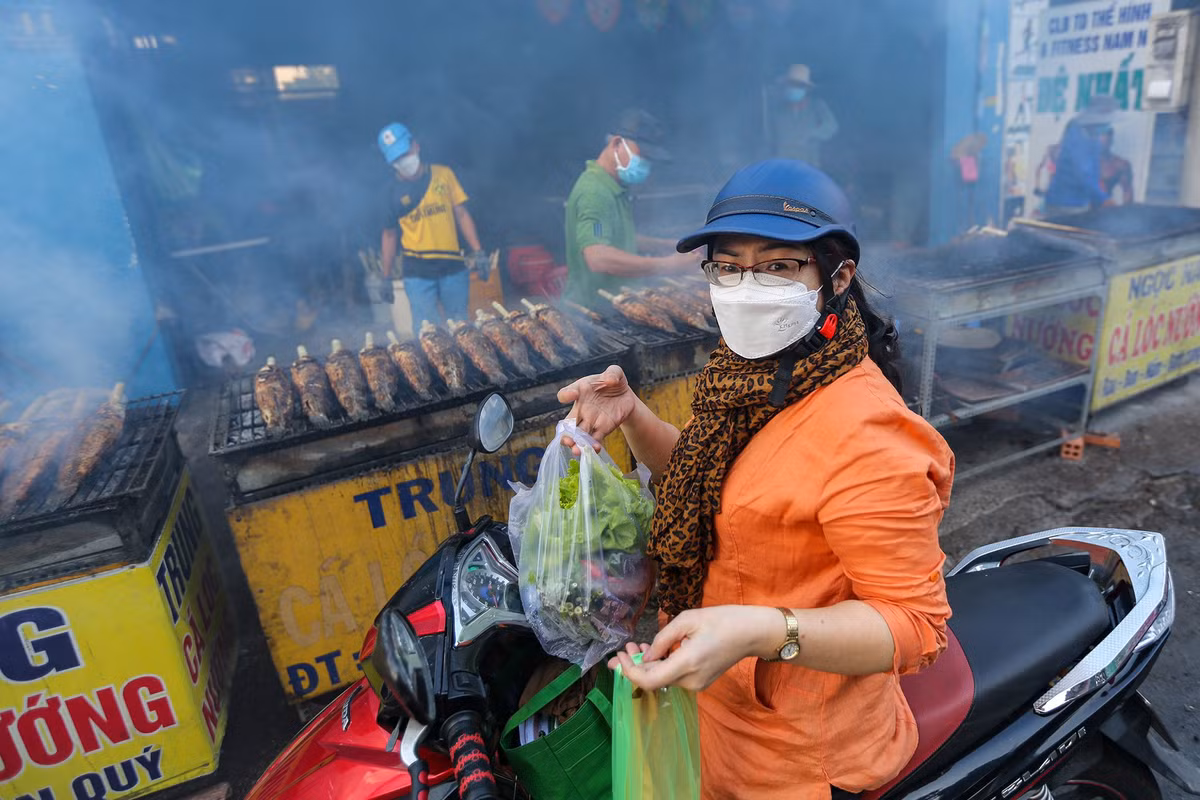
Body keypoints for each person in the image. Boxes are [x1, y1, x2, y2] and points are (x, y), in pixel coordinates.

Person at [558, 159, 954, 798]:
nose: (747, 285)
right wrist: (632, 414)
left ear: (837, 275)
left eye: (777, 265)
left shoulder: (867, 432)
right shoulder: (747, 372)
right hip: (715, 717)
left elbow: (914, 623)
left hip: (799, 758)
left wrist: (760, 629)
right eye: (729, 265)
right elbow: (717, 478)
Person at [563, 108, 700, 308]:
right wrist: (668, 265)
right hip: (596, 310)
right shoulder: (595, 193)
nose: (646, 165)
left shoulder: (612, 186)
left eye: (649, 160)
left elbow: (612, 236)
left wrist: (666, 245)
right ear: (617, 143)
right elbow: (598, 256)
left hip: (619, 303)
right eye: (642, 156)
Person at [377, 122, 487, 336]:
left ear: (416, 146)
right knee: (428, 333)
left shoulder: (443, 175)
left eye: (404, 153)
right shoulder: (389, 193)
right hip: (417, 273)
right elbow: (389, 235)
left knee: (463, 330)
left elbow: (461, 213)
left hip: (453, 267)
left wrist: (478, 251)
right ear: (390, 162)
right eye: (397, 159)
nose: (403, 161)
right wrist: (386, 276)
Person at [769, 64, 839, 167]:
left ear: (806, 89)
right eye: (791, 85)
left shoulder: (817, 106)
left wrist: (813, 134)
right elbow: (770, 140)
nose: (793, 88)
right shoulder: (778, 111)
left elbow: (832, 126)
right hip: (783, 167)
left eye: (798, 86)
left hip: (808, 166)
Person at [1099, 126, 1134, 206]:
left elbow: (1127, 192)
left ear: (1111, 141)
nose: (1100, 141)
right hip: (1077, 211)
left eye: (1105, 138)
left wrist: (1124, 214)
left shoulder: (1120, 165)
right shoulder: (1081, 162)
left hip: (1104, 212)